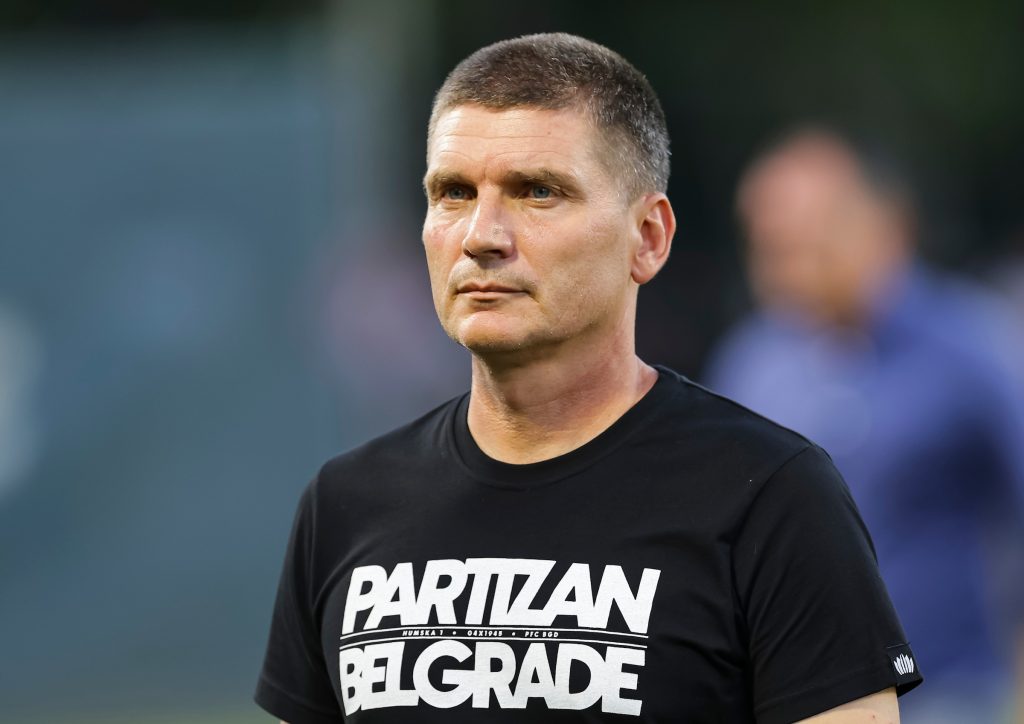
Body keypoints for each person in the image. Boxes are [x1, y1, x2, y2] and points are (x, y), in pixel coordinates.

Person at [255, 35, 922, 723]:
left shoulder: (770, 496)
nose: (481, 235)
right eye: (453, 192)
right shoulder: (345, 506)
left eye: (537, 192)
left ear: (648, 238)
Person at [707, 128, 1024, 722]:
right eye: (765, 242)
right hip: (791, 696)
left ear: (880, 224)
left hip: (947, 692)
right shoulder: (754, 360)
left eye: (803, 238)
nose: (777, 262)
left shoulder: (973, 344)